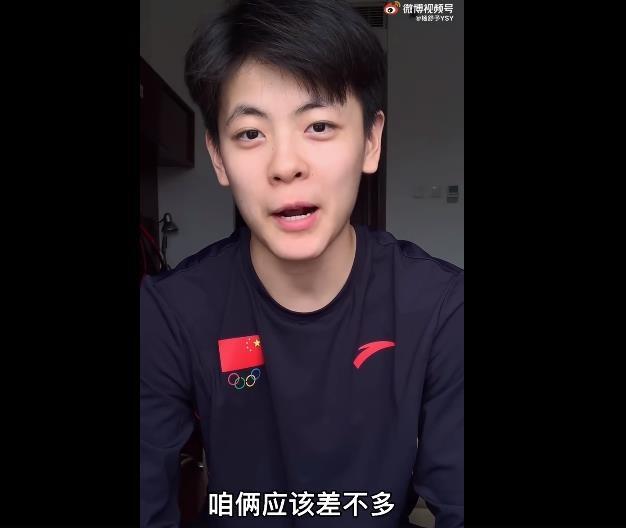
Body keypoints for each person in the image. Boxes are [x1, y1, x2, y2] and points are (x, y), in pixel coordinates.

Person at [140, 0, 463, 526]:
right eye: (251, 133)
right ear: (219, 157)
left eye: (319, 125)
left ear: (371, 141)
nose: (286, 165)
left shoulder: (440, 308)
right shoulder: (170, 312)